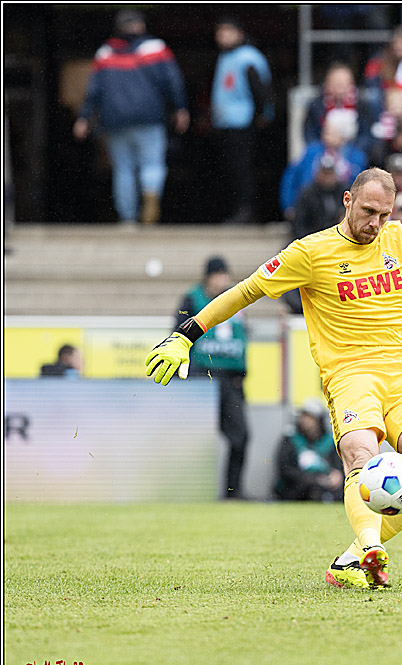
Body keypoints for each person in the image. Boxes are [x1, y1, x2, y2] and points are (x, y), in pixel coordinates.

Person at [144, 165, 402, 588]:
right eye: (369, 211)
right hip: (350, 376)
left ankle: (353, 559)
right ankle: (373, 548)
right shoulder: (311, 252)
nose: (376, 223)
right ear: (347, 201)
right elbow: (246, 290)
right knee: (360, 454)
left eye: (385, 215)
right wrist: (186, 334)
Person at [73, 9, 189, 224]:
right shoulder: (156, 49)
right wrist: (180, 108)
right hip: (149, 119)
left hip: (115, 121)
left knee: (123, 169)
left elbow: (93, 91)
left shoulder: (105, 53)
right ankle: (150, 194)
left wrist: (84, 118)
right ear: (141, 26)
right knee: (152, 164)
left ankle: (128, 218)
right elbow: (173, 82)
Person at [175, 257, 250, 499]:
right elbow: (178, 334)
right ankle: (191, 492)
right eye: (219, 275)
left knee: (241, 436)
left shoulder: (235, 300)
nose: (223, 280)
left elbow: (242, 337)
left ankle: (233, 491)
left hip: (231, 380)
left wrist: (241, 374)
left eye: (225, 275)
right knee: (197, 440)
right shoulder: (191, 299)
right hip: (202, 379)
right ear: (208, 277)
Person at [210, 16, 273, 224]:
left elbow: (261, 91)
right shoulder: (226, 56)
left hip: (243, 124)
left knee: (243, 170)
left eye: (227, 31)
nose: (222, 36)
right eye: (220, 32)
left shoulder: (248, 58)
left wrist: (262, 116)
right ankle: (235, 211)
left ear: (239, 33)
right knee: (230, 171)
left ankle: (247, 212)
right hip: (226, 124)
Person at [274, 400, 345, 502]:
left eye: (311, 417)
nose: (306, 421)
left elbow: (338, 465)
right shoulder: (291, 438)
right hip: (298, 484)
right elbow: (285, 468)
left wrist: (337, 475)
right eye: (304, 416)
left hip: (325, 481)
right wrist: (313, 479)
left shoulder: (329, 440)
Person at [290, 154, 346, 243]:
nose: (327, 177)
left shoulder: (344, 192)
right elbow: (299, 224)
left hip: (338, 240)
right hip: (313, 240)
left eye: (330, 173)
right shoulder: (307, 194)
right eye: (324, 173)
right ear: (318, 173)